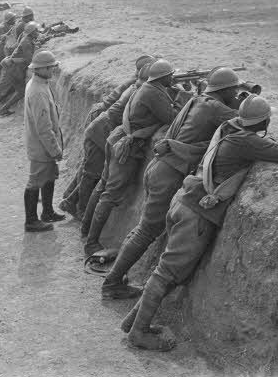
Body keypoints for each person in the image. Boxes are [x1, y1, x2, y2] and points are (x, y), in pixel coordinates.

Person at [120, 95, 278, 351]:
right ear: (264, 120)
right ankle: (138, 333)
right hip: (196, 215)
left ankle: (133, 321)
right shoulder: (245, 141)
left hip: (183, 202)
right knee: (167, 273)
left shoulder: (230, 127)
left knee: (167, 268)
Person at [100, 67, 248, 300]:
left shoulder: (199, 100)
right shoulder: (215, 108)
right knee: (146, 231)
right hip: (169, 173)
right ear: (227, 90)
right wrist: (248, 101)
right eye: (235, 89)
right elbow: (249, 120)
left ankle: (115, 276)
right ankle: (112, 282)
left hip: (160, 167)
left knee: (143, 228)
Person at [84, 59, 180, 256]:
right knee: (110, 194)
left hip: (117, 138)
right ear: (164, 77)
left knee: (103, 186)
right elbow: (171, 117)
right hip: (127, 147)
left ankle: (86, 230)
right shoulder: (153, 92)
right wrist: (181, 98)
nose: (173, 77)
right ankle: (91, 242)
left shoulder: (147, 87)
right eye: (171, 75)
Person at [56, 55, 155, 218]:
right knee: (91, 172)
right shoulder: (137, 86)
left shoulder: (136, 83)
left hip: (102, 121)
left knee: (89, 168)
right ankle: (79, 209)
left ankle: (69, 198)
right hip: (101, 124)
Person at [23, 50, 66, 232]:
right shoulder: (38, 92)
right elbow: (43, 128)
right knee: (35, 182)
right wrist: (55, 150)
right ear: (42, 68)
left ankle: (47, 212)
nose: (54, 70)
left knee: (49, 177)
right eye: (51, 67)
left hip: (43, 146)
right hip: (42, 147)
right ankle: (31, 221)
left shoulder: (40, 84)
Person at [0, 21, 39, 123]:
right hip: (12, 69)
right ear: (32, 32)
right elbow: (29, 59)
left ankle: (4, 109)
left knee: (21, 91)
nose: (38, 32)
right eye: (36, 31)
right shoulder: (26, 42)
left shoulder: (29, 40)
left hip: (17, 70)